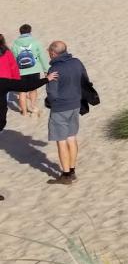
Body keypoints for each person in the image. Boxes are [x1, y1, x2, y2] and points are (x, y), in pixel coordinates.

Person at [44, 41, 92, 185]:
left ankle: (66, 175)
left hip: (60, 107)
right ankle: (72, 170)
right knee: (72, 137)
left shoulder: (55, 68)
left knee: (62, 140)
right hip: (75, 104)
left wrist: (51, 101)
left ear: (53, 53)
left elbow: (51, 93)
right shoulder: (77, 62)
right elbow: (85, 80)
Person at [12, 24, 47, 117]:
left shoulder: (15, 43)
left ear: (20, 32)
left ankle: (24, 112)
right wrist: (46, 69)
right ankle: (33, 106)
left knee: (22, 91)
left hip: (21, 71)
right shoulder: (35, 42)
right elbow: (42, 56)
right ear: (30, 31)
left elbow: (13, 59)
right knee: (33, 89)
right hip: (34, 69)